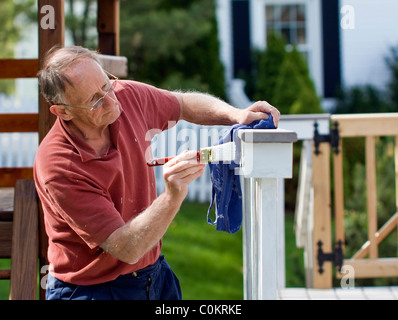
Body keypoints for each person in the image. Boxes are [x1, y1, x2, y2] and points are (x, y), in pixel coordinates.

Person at [34, 45, 280, 300]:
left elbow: (183, 103)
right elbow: (126, 248)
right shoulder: (59, 164)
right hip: (92, 289)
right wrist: (172, 196)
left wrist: (235, 114)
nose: (110, 100)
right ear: (63, 111)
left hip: (152, 273)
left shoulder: (124, 96)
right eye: (94, 100)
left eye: (107, 85)